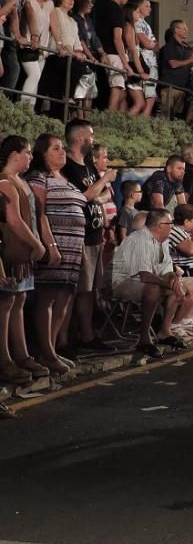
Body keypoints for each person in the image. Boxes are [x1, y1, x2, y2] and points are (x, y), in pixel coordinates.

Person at [25, 134, 86, 374]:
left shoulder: (66, 177)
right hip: (55, 246)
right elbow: (39, 214)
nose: (62, 152)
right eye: (56, 148)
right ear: (43, 153)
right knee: (48, 297)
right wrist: (50, 246)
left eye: (62, 148)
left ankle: (51, 348)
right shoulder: (39, 178)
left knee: (64, 298)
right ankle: (46, 351)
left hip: (72, 247)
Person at [110, 209, 193, 358]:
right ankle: (144, 337)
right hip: (124, 282)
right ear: (160, 225)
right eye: (170, 223)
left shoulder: (163, 241)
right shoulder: (139, 239)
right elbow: (145, 275)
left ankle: (164, 331)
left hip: (145, 281)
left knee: (174, 286)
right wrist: (168, 283)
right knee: (153, 288)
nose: (172, 226)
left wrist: (173, 279)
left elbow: (166, 269)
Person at [61, 120, 117, 354]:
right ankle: (63, 340)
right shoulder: (68, 167)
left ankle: (87, 335)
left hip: (95, 236)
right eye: (91, 135)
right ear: (79, 138)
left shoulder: (87, 165)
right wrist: (103, 181)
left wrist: (96, 193)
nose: (93, 140)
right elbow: (83, 197)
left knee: (88, 290)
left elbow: (100, 196)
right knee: (72, 291)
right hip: (78, 237)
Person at [0, 136, 48, 387]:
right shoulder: (6, 183)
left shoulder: (20, 182)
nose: (30, 157)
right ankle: (6, 359)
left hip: (23, 252)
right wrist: (37, 244)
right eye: (27, 153)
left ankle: (21, 355)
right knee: (7, 302)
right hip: (13, 252)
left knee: (17, 301)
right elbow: (14, 221)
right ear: (14, 154)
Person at [0, 0, 41, 91]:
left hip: (5, 34)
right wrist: (18, 36)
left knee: (10, 69)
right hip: (4, 33)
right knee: (12, 69)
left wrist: (34, 36)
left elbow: (28, 12)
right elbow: (12, 11)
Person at [97, 0, 134, 111]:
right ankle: (108, 121)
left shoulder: (103, 7)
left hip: (107, 52)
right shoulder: (117, 10)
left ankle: (114, 120)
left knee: (121, 92)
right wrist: (126, 64)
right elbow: (117, 39)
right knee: (117, 89)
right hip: (114, 54)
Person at [20, 0, 54, 108]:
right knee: (34, 75)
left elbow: (53, 26)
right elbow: (30, 15)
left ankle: (30, 113)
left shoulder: (50, 4)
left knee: (36, 81)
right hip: (29, 45)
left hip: (43, 50)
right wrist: (34, 36)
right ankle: (21, 108)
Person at [72, 0, 104, 119]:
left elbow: (94, 39)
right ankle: (80, 120)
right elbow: (81, 40)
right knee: (80, 91)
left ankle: (87, 121)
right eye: (88, 2)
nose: (91, 5)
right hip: (82, 58)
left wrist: (102, 54)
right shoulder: (75, 18)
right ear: (80, 2)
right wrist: (90, 57)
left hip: (92, 60)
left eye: (92, 2)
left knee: (90, 92)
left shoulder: (89, 20)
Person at [158, 20, 193, 118]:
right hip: (170, 86)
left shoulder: (184, 46)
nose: (187, 30)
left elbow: (186, 64)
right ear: (176, 30)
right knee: (166, 116)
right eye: (184, 28)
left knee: (175, 117)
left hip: (181, 87)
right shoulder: (170, 46)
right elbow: (173, 64)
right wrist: (191, 58)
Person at [122, 0, 151, 116]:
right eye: (137, 12)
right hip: (132, 66)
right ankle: (122, 125)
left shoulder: (133, 27)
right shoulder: (128, 27)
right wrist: (140, 70)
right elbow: (133, 52)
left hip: (135, 65)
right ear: (130, 12)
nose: (140, 14)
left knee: (139, 103)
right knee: (139, 103)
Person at [133, 0, 159, 117]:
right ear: (138, 7)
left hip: (151, 64)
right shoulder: (136, 22)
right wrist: (151, 44)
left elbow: (155, 45)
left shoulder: (146, 24)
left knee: (149, 98)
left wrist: (151, 44)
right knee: (149, 98)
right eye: (147, 6)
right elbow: (146, 43)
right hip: (144, 63)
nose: (150, 9)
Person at [116, 179, 142, 244]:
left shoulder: (137, 211)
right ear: (132, 194)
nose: (141, 193)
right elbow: (123, 235)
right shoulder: (125, 212)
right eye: (139, 191)